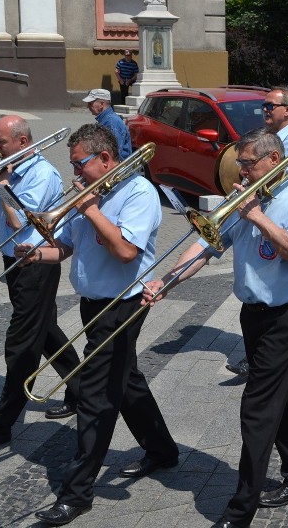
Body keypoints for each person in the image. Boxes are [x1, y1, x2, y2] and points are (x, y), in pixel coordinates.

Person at [143, 129, 288, 528]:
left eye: (247, 163)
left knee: (258, 408)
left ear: (273, 161)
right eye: (240, 163)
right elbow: (206, 245)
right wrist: (166, 281)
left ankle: (241, 507)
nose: (240, 171)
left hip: (286, 315)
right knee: (286, 397)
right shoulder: (242, 199)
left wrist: (257, 216)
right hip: (253, 314)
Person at [17, 124, 179, 526]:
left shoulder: (138, 193)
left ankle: (77, 492)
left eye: (79, 164)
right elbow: (68, 247)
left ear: (105, 159)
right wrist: (38, 256)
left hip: (123, 306)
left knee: (96, 395)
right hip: (93, 304)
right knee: (127, 381)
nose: (74, 174)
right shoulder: (92, 194)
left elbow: (125, 251)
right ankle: (162, 450)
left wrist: (89, 208)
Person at [0, 115, 81, 445]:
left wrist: (3, 184)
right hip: (13, 261)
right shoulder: (9, 173)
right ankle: (80, 389)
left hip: (37, 263)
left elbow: (21, 226)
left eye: (1, 142)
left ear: (22, 143)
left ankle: (1, 423)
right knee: (46, 332)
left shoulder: (42, 175)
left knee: (21, 341)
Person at [225, 87, 288, 378]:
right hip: (261, 212)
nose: (264, 110)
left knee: (286, 283)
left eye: (270, 106)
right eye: (263, 106)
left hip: (281, 215)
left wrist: (259, 206)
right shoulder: (263, 138)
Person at [82, 88, 132, 161]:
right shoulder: (106, 120)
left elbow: (113, 153)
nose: (88, 106)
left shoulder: (111, 122)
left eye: (90, 103)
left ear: (101, 104)